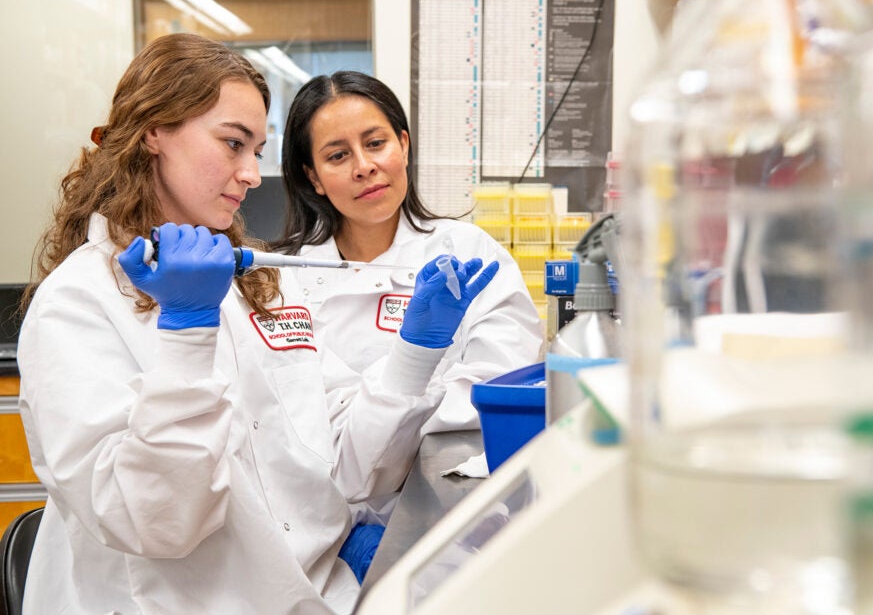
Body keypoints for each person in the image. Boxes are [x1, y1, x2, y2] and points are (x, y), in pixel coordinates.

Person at [16, 33, 496, 614]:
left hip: (314, 590)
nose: (250, 174)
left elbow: (343, 460)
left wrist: (415, 352)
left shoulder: (258, 283)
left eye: (257, 150)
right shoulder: (78, 302)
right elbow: (153, 521)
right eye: (232, 144)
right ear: (152, 133)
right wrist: (187, 334)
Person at [275, 71, 543, 437]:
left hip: (440, 478)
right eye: (338, 155)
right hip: (328, 489)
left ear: (403, 145)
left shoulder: (468, 252)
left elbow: (498, 383)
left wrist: (383, 420)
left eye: (375, 143)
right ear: (314, 178)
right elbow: (296, 412)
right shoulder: (283, 278)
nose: (364, 167)